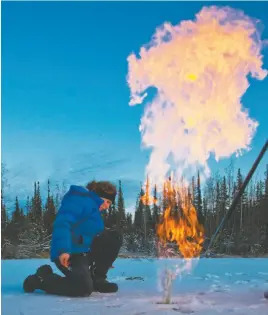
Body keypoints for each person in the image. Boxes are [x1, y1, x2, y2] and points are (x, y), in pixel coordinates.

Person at [23, 180, 123, 297]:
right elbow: (63, 224)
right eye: (107, 201)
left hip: (84, 251)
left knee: (114, 236)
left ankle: (98, 279)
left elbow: (98, 236)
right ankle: (41, 279)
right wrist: (63, 251)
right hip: (70, 253)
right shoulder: (78, 200)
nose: (107, 206)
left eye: (110, 204)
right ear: (97, 195)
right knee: (82, 288)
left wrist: (105, 259)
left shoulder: (94, 210)